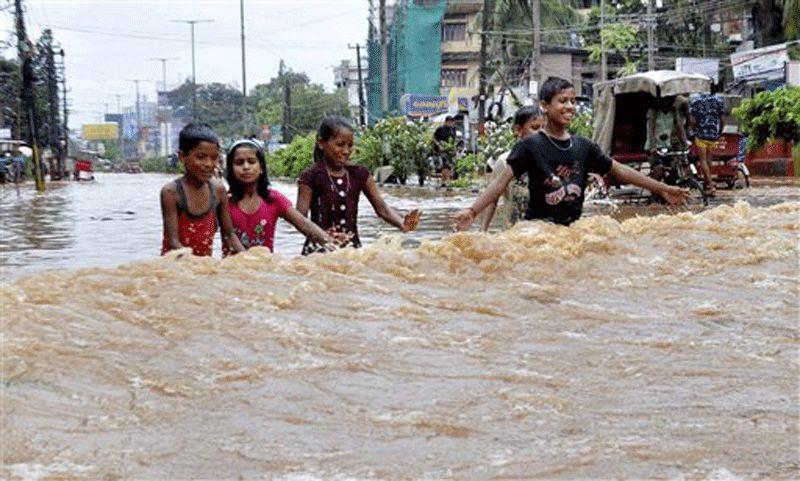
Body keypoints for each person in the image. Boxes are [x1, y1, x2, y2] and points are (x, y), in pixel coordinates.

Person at [453, 77, 691, 230]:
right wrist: (472, 211)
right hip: (538, 230)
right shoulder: (530, 145)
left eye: (572, 101)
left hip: (571, 231)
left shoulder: (583, 146)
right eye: (562, 101)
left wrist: (663, 188)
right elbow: (499, 183)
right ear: (545, 106)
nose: (569, 106)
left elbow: (621, 171)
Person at [297, 116, 421, 255]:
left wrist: (403, 224)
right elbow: (300, 219)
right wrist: (324, 237)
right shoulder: (310, 176)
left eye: (350, 145)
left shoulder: (360, 174)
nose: (346, 151)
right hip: (318, 253)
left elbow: (382, 208)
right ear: (321, 143)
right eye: (340, 144)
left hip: (353, 251)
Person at [224, 138, 339, 255]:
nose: (246, 167)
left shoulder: (274, 199)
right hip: (231, 270)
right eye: (239, 163)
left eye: (251, 161)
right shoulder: (224, 202)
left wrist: (333, 246)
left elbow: (304, 224)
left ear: (261, 168)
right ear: (230, 169)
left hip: (265, 268)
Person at [160, 122, 244, 257]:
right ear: (182, 157)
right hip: (175, 266)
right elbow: (173, 241)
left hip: (204, 267)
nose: (209, 164)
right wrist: (196, 264)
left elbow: (229, 235)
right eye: (201, 157)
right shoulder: (171, 193)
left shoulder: (218, 190)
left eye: (214, 158)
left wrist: (246, 258)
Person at [481, 105, 544, 231]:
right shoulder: (504, 162)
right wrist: (483, 230)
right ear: (518, 130)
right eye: (535, 128)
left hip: (543, 235)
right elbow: (493, 198)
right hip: (513, 234)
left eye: (544, 128)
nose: (541, 133)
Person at [689, 89, 725, 196]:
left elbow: (692, 121)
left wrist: (692, 128)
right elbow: (722, 120)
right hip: (713, 134)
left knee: (703, 160)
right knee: (709, 160)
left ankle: (710, 185)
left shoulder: (695, 101)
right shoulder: (718, 100)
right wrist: (719, 132)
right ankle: (706, 184)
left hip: (700, 135)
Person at [645, 96, 688, 181]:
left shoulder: (673, 111)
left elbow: (679, 128)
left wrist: (684, 143)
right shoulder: (653, 112)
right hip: (654, 146)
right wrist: (653, 147)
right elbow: (651, 130)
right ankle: (654, 190)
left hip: (667, 145)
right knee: (659, 170)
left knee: (674, 167)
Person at [433, 116, 457, 184]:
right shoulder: (440, 129)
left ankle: (443, 182)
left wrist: (454, 147)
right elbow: (434, 137)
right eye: (449, 122)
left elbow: (454, 140)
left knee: (448, 166)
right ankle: (447, 181)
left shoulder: (453, 129)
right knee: (445, 165)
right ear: (445, 122)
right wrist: (438, 145)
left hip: (449, 149)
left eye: (452, 122)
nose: (450, 123)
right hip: (441, 150)